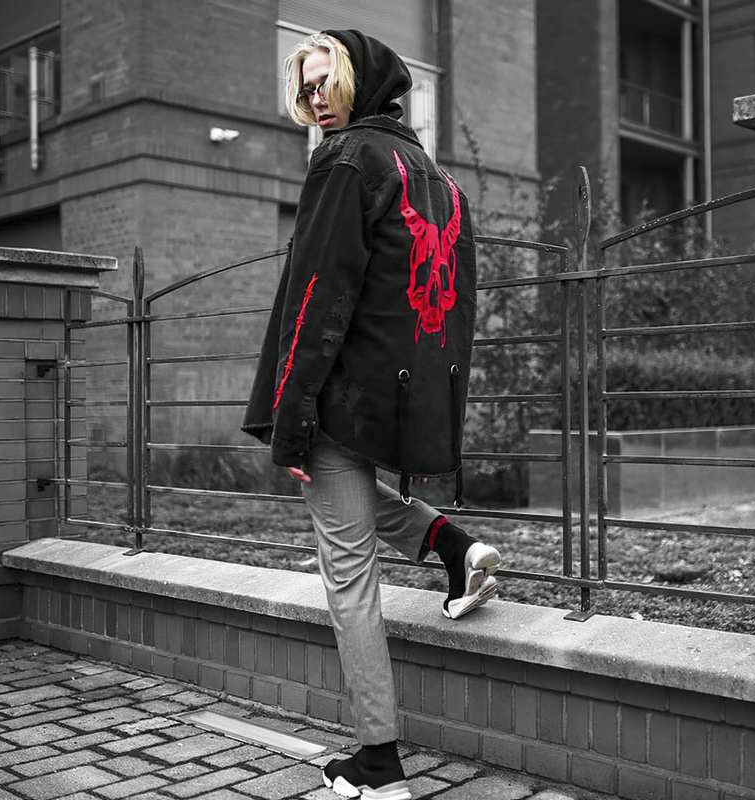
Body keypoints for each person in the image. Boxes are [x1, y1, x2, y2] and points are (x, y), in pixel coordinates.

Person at [242, 29, 500, 800]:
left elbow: (317, 298)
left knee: (348, 575)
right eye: (307, 86)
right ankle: (450, 543)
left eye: (328, 81)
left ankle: (377, 765)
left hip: (343, 394)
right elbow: (457, 311)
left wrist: (292, 413)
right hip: (401, 391)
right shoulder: (441, 181)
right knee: (343, 505)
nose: (316, 98)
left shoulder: (348, 162)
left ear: (365, 82)